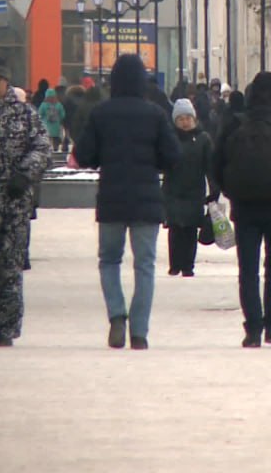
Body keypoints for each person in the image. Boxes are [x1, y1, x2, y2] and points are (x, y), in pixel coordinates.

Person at [72, 54, 182, 350]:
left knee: (109, 260)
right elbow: (173, 156)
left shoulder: (101, 113)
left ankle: (117, 316)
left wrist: (103, 157)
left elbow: (83, 155)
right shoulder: (155, 114)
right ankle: (140, 332)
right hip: (146, 200)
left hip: (111, 199)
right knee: (145, 265)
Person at [212, 71, 271, 348]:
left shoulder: (234, 123)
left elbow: (216, 163)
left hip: (245, 205)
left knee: (247, 267)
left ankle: (252, 328)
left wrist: (231, 190)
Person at [0, 54, 51, 346]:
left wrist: (25, 174)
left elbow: (42, 147)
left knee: (9, 271)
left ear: (6, 81)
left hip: (13, 206)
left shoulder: (24, 114)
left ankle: (5, 328)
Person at [162, 99, 218, 277]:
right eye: (181, 119)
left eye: (188, 118)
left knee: (190, 229)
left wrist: (214, 190)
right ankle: (175, 264)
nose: (185, 122)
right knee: (175, 229)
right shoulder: (169, 139)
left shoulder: (203, 139)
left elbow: (210, 166)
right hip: (173, 191)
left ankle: (188, 265)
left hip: (195, 192)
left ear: (194, 119)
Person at [37, 88, 66, 152]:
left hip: (46, 126)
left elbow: (39, 114)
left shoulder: (43, 105)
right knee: (55, 139)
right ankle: (55, 148)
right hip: (56, 126)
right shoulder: (59, 104)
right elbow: (63, 115)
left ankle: (48, 149)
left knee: (47, 139)